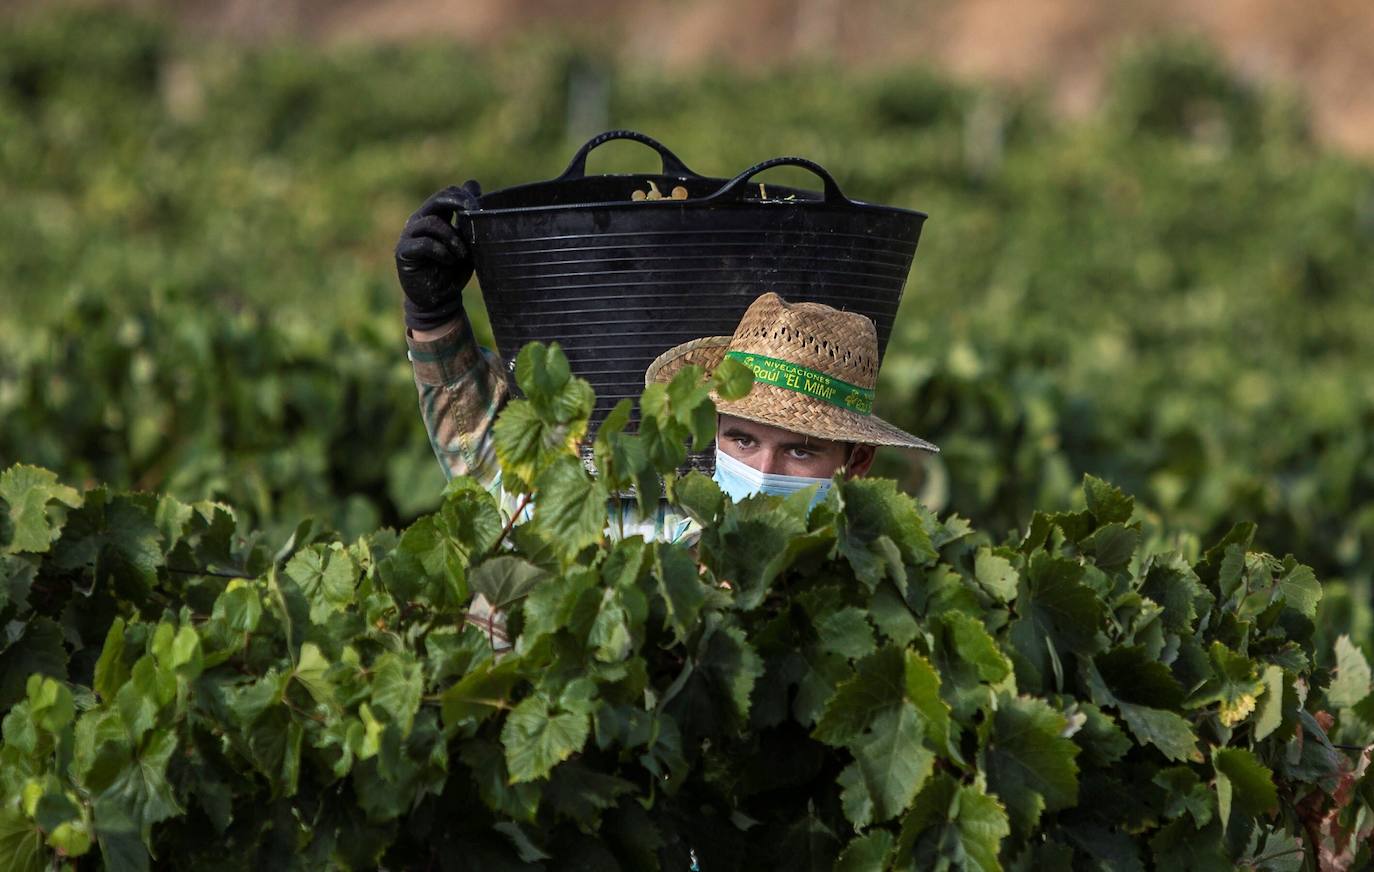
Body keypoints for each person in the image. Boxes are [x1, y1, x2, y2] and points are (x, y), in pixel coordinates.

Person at [395, 186, 938, 644]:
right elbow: (495, 469)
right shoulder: (648, 530)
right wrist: (433, 313)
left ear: (856, 462)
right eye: (743, 440)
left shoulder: (873, 596)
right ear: (715, 432)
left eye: (800, 450)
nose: (762, 472)